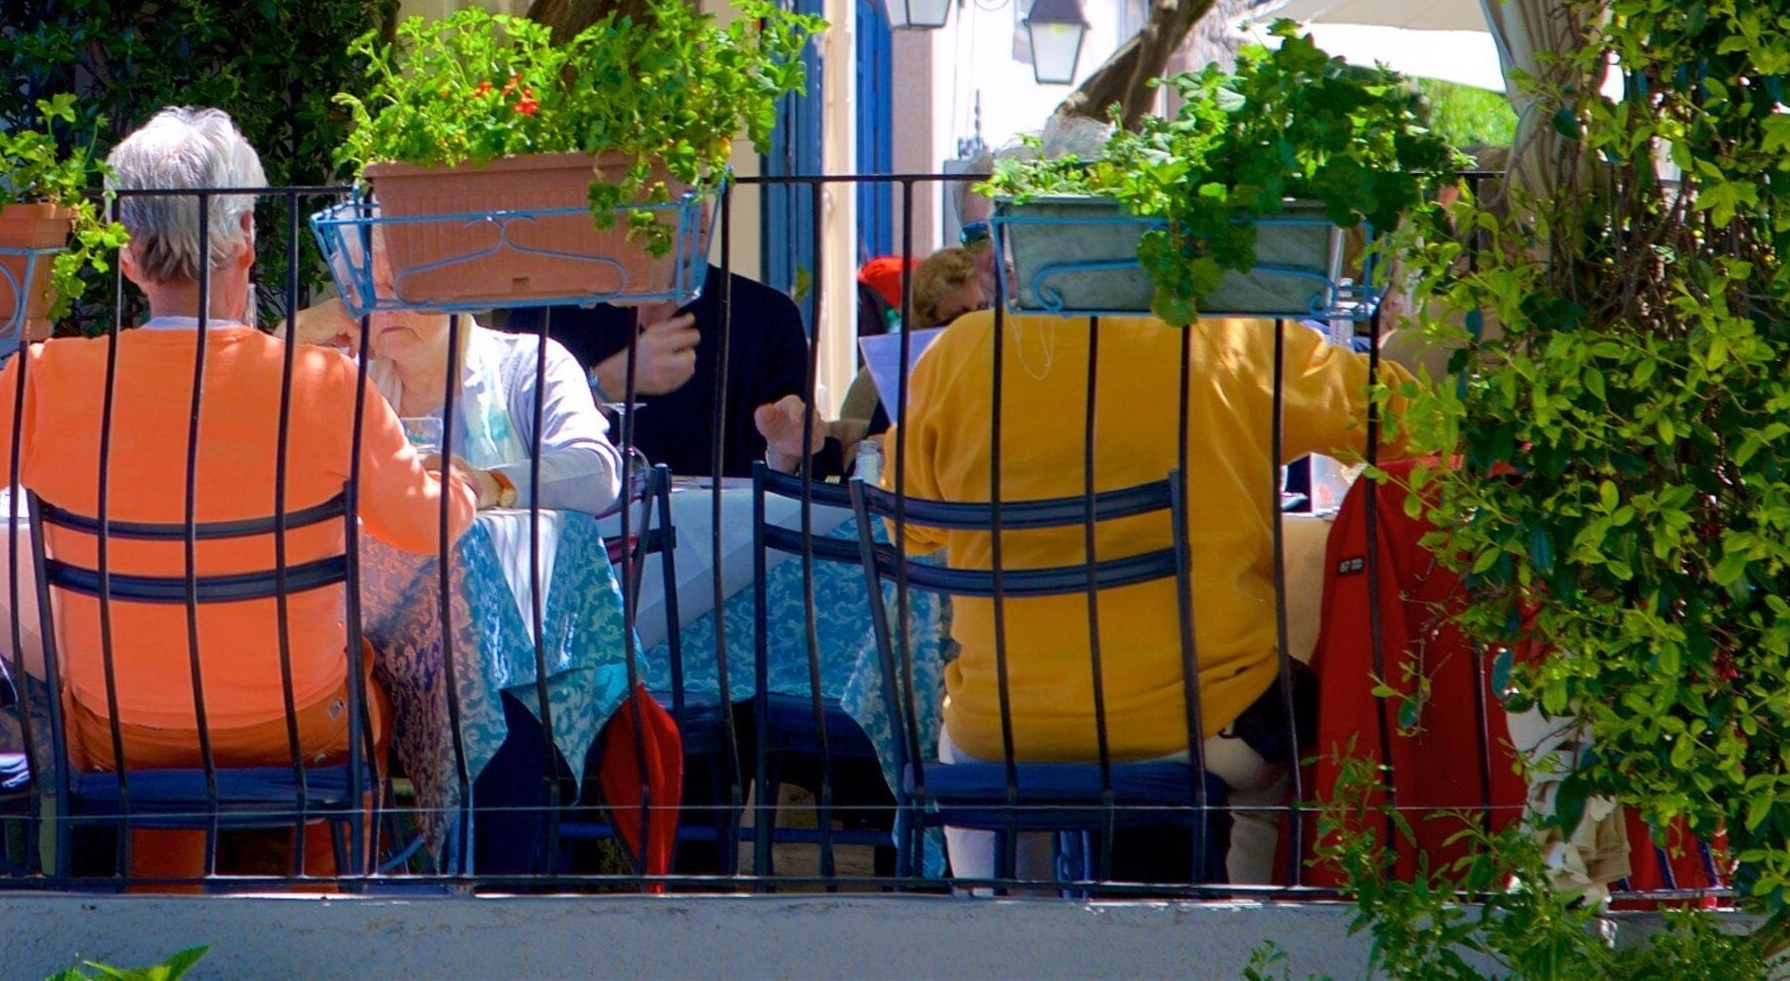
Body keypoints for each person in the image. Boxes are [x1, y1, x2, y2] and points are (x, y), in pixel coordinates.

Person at [0, 107, 475, 877]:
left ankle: (162, 924)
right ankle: (325, 916)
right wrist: (456, 486)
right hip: (298, 724)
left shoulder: (51, 382)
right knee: (366, 684)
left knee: (138, 710)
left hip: (119, 731)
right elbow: (423, 523)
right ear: (248, 243)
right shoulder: (327, 385)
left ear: (130, 258)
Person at [895, 303, 1386, 884]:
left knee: (974, 764)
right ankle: (1247, 936)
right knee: (1289, 737)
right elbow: (1409, 418)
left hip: (1001, 726)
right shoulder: (1236, 335)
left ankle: (1001, 924)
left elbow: (912, 528)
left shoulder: (962, 346)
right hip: (1199, 729)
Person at [293, 287, 621, 516]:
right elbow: (269, 471)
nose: (384, 303)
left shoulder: (529, 364)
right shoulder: (344, 378)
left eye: (400, 283)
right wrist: (287, 343)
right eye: (365, 285)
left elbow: (597, 472)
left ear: (455, 287)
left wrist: (491, 485)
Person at [513, 262, 817, 482]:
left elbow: (788, 478)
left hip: (730, 545)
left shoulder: (766, 314)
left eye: (705, 182)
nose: (697, 202)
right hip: (584, 536)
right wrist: (605, 385)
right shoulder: (547, 310)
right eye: (664, 181)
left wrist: (787, 452)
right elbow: (511, 448)